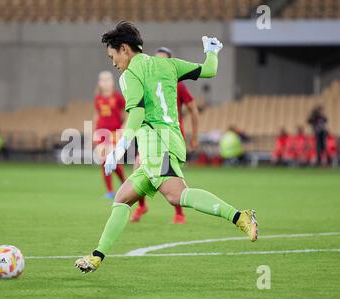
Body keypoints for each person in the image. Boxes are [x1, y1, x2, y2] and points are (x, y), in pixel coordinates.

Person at [75, 21, 258, 273]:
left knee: (176, 195)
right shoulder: (168, 64)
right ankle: (97, 256)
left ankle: (240, 216)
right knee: (122, 199)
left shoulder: (129, 75)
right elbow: (209, 71)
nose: (113, 63)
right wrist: (212, 50)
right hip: (170, 139)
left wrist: (118, 149)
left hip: (155, 143)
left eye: (113, 56)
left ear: (125, 49)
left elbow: (137, 113)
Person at [131, 46, 200, 224]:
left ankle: (179, 213)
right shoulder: (149, 83)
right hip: (152, 136)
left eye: (163, 59)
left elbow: (194, 110)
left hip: (170, 137)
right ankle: (142, 206)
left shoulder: (178, 86)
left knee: (170, 177)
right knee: (138, 166)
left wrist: (195, 136)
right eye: (156, 59)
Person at [94, 71, 126, 198]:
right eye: (103, 80)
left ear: (112, 82)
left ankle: (124, 184)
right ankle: (110, 191)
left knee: (112, 160)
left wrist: (124, 127)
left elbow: (127, 112)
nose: (106, 82)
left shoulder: (117, 97)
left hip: (114, 133)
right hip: (101, 133)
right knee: (104, 161)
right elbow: (97, 116)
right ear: (99, 83)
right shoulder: (98, 99)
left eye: (108, 80)